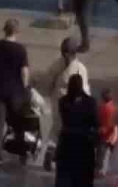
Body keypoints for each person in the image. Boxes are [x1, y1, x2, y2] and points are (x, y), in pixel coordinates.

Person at [0, 18, 30, 171]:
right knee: (18, 125)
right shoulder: (20, 49)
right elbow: (24, 72)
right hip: (15, 92)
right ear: (17, 31)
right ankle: (22, 155)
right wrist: (25, 89)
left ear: (4, 29)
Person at [43, 36, 91, 171]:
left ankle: (51, 150)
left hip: (57, 99)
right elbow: (85, 89)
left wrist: (49, 94)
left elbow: (48, 81)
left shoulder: (56, 64)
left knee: (56, 128)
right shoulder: (80, 68)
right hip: (73, 103)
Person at [55, 74, 98, 187]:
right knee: (83, 179)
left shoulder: (63, 102)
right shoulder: (91, 102)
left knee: (64, 179)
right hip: (84, 145)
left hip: (66, 144)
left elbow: (62, 120)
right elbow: (95, 123)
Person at [96, 89, 118, 179]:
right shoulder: (113, 107)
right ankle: (108, 170)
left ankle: (99, 171)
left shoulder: (104, 108)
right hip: (112, 134)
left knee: (101, 153)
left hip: (105, 134)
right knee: (110, 154)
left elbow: (105, 123)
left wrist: (101, 130)